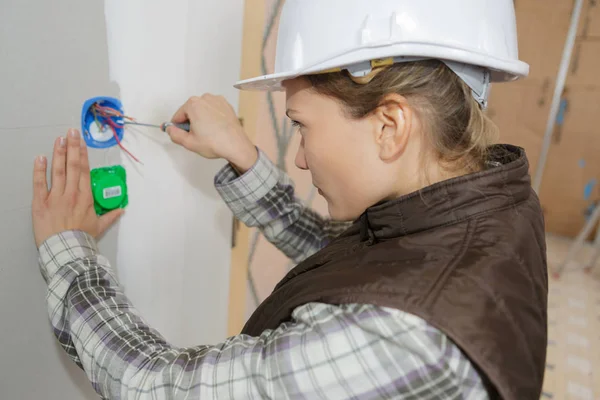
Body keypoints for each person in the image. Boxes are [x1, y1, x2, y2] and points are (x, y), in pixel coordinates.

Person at [31, 0, 547, 398]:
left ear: (390, 124)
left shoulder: (395, 338)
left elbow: (153, 386)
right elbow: (354, 258)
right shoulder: (493, 206)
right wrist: (242, 156)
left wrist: (67, 250)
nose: (298, 159)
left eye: (301, 125)